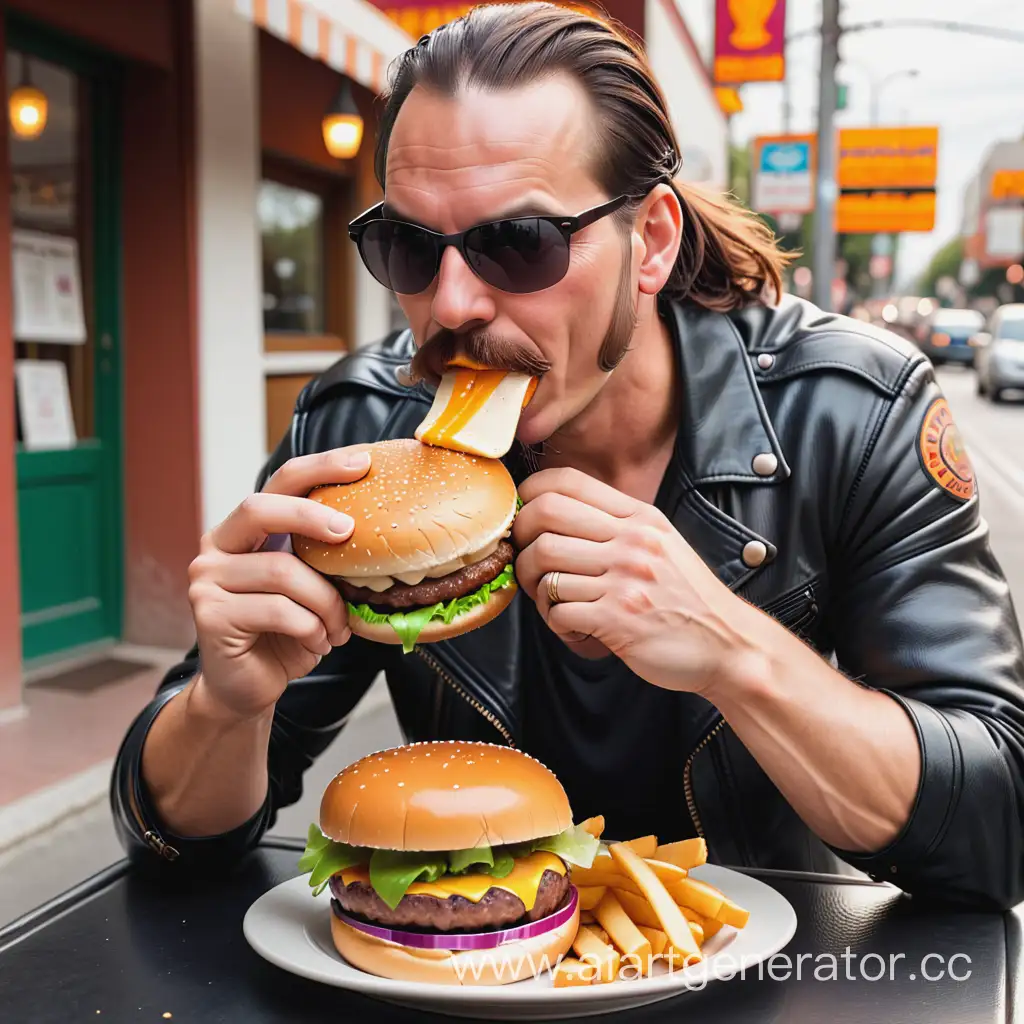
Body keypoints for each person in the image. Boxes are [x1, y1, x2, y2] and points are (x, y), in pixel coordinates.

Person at [111, 1, 1024, 910]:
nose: (455, 304)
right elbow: (175, 845)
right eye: (408, 247)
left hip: (767, 971)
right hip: (455, 967)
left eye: (519, 243)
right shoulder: (360, 429)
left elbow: (999, 824)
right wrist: (225, 710)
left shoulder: (847, 410)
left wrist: (733, 648)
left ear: (652, 241)